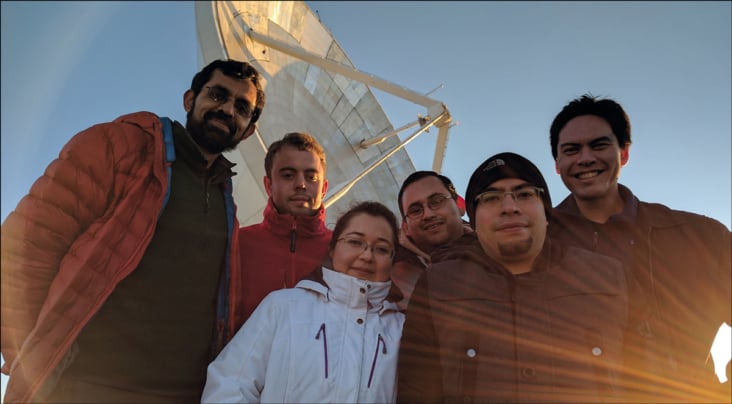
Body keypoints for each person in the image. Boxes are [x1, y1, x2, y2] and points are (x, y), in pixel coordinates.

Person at [0, 59, 266, 403]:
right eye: (217, 94)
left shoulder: (226, 202)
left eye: (241, 107)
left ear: (248, 130)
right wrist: (27, 351)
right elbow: (24, 246)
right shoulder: (122, 146)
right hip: (84, 387)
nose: (227, 109)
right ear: (189, 100)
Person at [398, 152, 632, 403]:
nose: (509, 207)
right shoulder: (431, 284)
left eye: (525, 194)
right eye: (491, 198)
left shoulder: (607, 277)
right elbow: (417, 388)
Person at [548, 94, 731, 402]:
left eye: (599, 145)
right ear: (557, 164)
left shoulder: (702, 237)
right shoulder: (537, 243)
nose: (585, 158)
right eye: (571, 150)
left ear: (624, 154)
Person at [202, 201, 404, 403]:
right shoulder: (283, 307)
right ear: (333, 248)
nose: (367, 255)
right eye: (355, 242)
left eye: (381, 249)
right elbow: (229, 385)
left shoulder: (402, 330)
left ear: (392, 259)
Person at [234, 132, 332, 330]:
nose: (301, 184)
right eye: (288, 175)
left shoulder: (344, 254)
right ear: (268, 185)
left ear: (324, 188)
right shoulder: (236, 243)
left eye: (311, 176)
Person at [393, 171, 469, 310]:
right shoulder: (391, 274)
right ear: (406, 228)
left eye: (437, 201)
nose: (428, 214)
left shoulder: (503, 246)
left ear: (459, 205)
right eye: (415, 210)